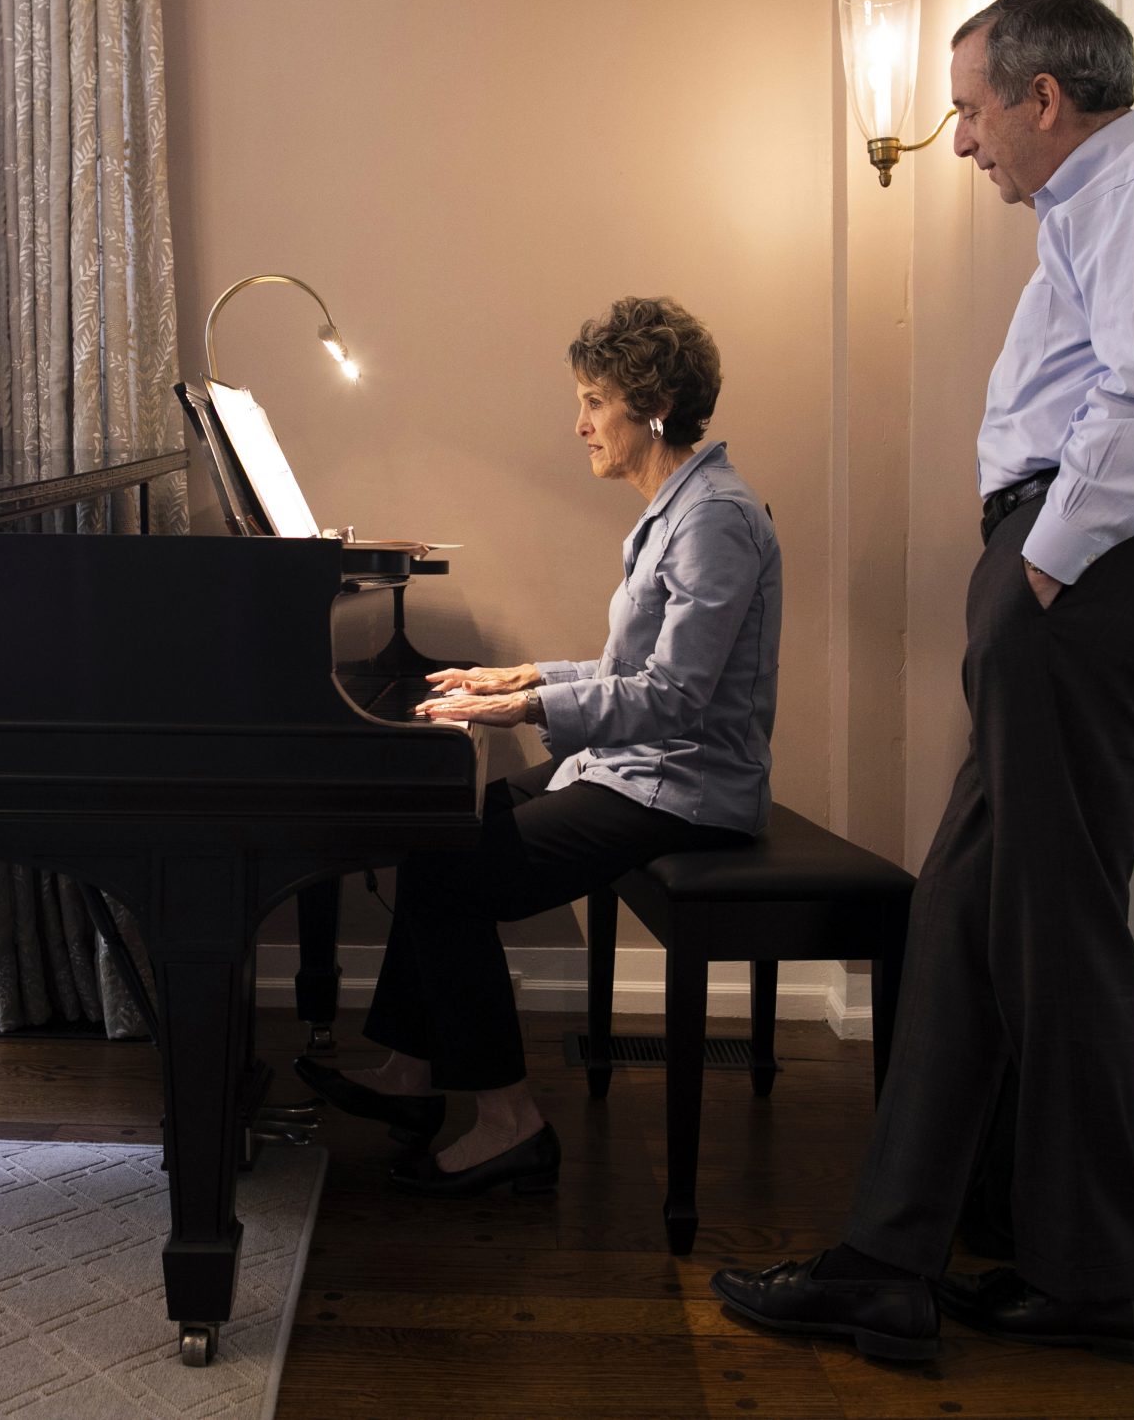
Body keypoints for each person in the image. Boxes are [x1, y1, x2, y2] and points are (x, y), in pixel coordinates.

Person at [712, 0, 1134, 1364]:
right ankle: (888, 1259)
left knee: (1053, 931)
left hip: (1091, 576)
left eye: (971, 108)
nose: (959, 140)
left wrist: (1041, 561)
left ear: (1044, 97)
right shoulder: (1104, 204)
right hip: (1088, 576)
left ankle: (1097, 1271)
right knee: (965, 925)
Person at [295, 295, 783, 1197]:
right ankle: (410, 1072)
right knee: (443, 827)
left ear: (653, 406)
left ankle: (512, 1121)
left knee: (450, 866)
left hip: (685, 791)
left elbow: (672, 698)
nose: (580, 423)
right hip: (642, 773)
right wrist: (514, 678)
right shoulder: (680, 506)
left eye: (595, 401)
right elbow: (624, 667)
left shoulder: (713, 516)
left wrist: (525, 713)